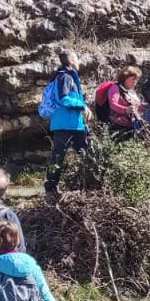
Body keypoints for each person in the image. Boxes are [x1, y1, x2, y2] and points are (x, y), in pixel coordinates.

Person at [39, 51, 90, 195]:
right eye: (77, 58)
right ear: (71, 60)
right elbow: (64, 99)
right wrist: (83, 106)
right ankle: (51, 187)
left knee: (85, 153)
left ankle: (88, 184)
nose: (79, 61)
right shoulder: (64, 76)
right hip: (64, 124)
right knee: (59, 155)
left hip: (74, 123)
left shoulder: (68, 76)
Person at [95, 67, 144, 142]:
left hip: (131, 125)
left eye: (136, 80)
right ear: (125, 78)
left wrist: (144, 106)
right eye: (133, 79)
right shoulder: (115, 88)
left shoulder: (131, 91)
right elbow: (113, 104)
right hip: (118, 126)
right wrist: (126, 109)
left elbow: (136, 106)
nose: (135, 82)